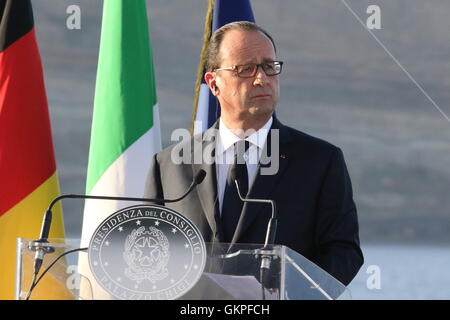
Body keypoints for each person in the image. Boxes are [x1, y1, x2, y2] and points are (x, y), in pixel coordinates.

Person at [144, 21, 363, 286]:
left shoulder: (320, 162)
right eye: (245, 69)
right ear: (214, 83)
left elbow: (343, 251)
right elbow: (150, 245)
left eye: (269, 67)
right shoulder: (169, 165)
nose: (261, 79)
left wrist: (290, 294)